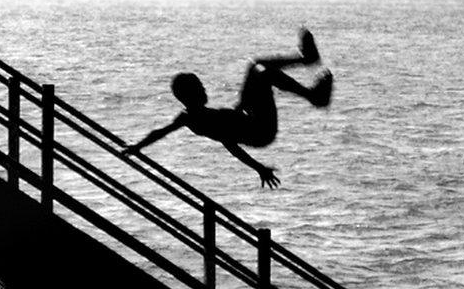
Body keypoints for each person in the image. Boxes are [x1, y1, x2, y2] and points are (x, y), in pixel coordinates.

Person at [122, 28, 332, 188]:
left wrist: (137, 147)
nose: (204, 89)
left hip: (248, 117)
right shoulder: (194, 119)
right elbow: (230, 144)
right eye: (199, 88)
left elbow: (161, 132)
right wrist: (259, 168)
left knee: (256, 66)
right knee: (263, 73)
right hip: (260, 130)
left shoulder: (193, 117)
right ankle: (313, 93)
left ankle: (308, 65)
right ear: (189, 95)